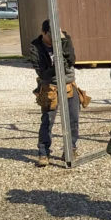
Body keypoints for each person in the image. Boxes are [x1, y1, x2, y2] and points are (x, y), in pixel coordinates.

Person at [30, 19, 80, 166]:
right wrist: (59, 66)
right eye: (51, 36)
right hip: (49, 87)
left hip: (68, 84)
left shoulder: (64, 39)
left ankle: (70, 148)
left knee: (73, 119)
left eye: (57, 36)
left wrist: (63, 43)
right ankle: (43, 152)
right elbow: (43, 73)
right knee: (47, 121)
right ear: (43, 33)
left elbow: (71, 60)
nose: (54, 40)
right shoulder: (36, 47)